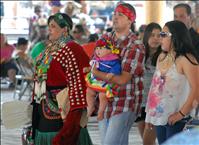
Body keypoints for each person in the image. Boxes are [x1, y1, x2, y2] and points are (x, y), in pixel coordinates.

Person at [31, 13, 92, 145]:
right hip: (44, 105)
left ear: (64, 29)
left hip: (62, 109)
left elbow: (79, 82)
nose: (49, 29)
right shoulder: (50, 48)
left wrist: (74, 114)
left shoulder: (73, 48)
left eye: (53, 26)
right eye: (49, 26)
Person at [89, 2, 145, 145]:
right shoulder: (106, 37)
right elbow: (93, 62)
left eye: (120, 15)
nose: (115, 17)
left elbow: (122, 80)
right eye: (114, 14)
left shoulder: (135, 45)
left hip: (124, 101)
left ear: (130, 20)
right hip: (104, 101)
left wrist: (96, 73)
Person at [145, 20, 199, 145]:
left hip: (178, 118)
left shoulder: (186, 59)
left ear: (175, 37)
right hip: (160, 116)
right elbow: (155, 87)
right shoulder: (161, 57)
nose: (160, 38)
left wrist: (181, 114)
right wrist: (150, 115)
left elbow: (197, 88)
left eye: (164, 35)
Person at [135, 22, 162, 145]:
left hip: (155, 104)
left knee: (147, 141)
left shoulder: (164, 56)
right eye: (152, 35)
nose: (156, 38)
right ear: (146, 36)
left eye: (159, 35)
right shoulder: (139, 53)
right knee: (147, 141)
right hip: (140, 102)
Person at [85, 38, 121, 121]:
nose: (98, 51)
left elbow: (117, 67)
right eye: (97, 48)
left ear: (110, 50)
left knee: (102, 95)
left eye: (101, 48)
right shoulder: (97, 59)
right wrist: (88, 69)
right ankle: (90, 106)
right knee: (89, 91)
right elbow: (93, 67)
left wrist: (112, 73)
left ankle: (101, 112)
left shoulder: (113, 60)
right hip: (96, 80)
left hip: (105, 82)